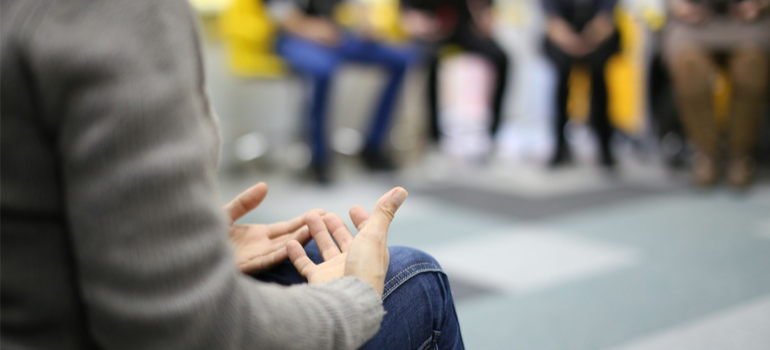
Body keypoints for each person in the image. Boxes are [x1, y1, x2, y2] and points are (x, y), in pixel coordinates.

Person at [0, 0, 464, 349]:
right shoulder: (119, 15)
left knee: (396, 58)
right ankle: (320, 157)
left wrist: (184, 245)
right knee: (416, 277)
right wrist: (356, 296)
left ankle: (372, 146)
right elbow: (177, 328)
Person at [266, 0, 416, 184]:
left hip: (334, 36)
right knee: (322, 70)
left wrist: (366, 24)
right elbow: (287, 20)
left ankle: (373, 147)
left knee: (401, 60)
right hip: (295, 37)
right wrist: (317, 30)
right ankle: (318, 159)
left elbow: (358, 6)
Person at [664, 0, 770, 188]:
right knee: (690, 69)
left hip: (748, 23)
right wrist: (676, 4)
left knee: (751, 68)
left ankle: (740, 154)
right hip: (693, 23)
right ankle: (706, 152)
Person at [399, 0, 511, 149]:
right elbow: (407, 13)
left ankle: (494, 130)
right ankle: (433, 135)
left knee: (500, 57)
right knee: (427, 61)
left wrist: (483, 14)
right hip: (432, 28)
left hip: (461, 25)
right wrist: (415, 21)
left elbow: (485, 11)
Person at [542, 0, 620, 168]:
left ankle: (605, 146)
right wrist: (571, 41)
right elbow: (552, 21)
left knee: (599, 77)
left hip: (596, 38)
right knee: (562, 77)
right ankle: (558, 146)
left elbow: (606, 20)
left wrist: (588, 39)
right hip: (564, 39)